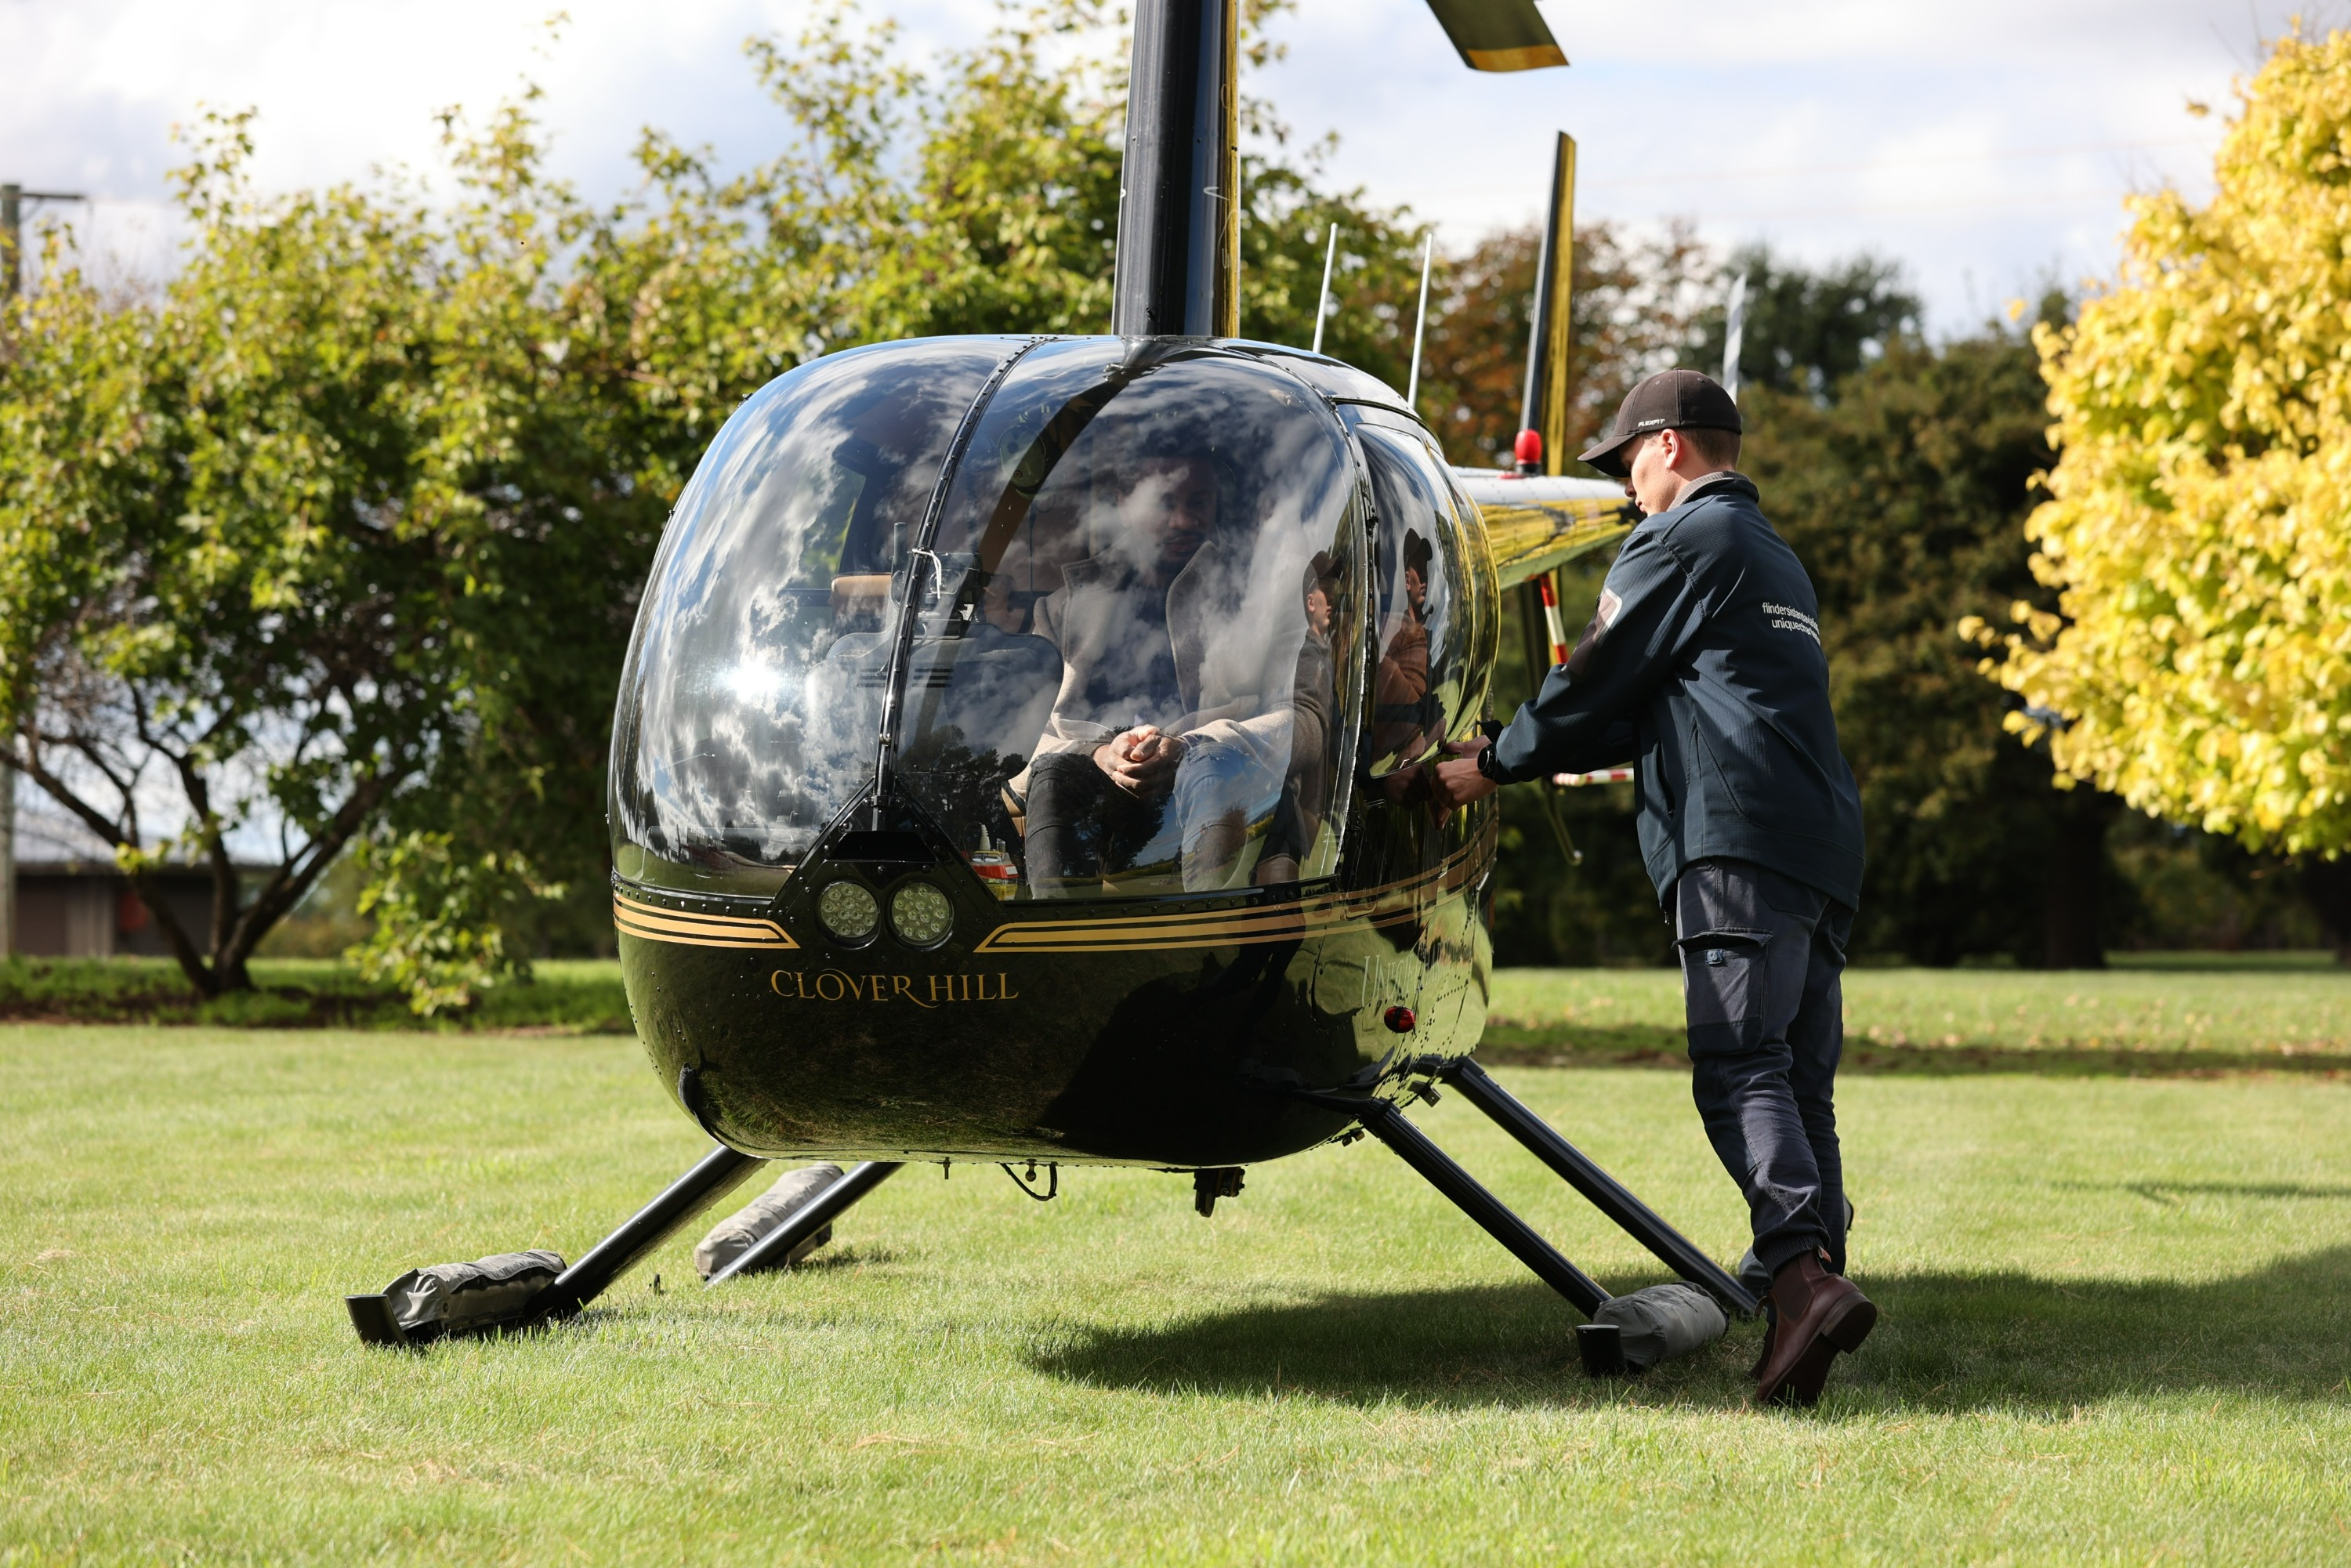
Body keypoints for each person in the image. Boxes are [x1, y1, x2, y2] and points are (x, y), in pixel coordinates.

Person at [1426, 368, 1875, 1409]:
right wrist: (1512, 751)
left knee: (1739, 1065)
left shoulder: (1678, 541)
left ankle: (1801, 1279)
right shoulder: (1775, 559)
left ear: (1668, 444)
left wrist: (1482, 765)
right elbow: (1657, 706)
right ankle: (1809, 1293)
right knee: (1800, 1079)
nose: (1625, 484)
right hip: (1820, 848)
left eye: (1627, 458)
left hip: (1736, 849)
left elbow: (1593, 681)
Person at [1013, 453, 1297, 893]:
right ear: (1124, 501)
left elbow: (1296, 720)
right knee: (1052, 775)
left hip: (1215, 785)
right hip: (1092, 796)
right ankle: (1056, 946)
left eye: (1199, 502)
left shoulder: (1260, 601)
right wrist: (1099, 755)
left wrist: (1190, 747)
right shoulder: (1059, 611)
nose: (1183, 520)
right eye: (1165, 503)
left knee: (1210, 765)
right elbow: (1020, 749)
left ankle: (1208, 942)